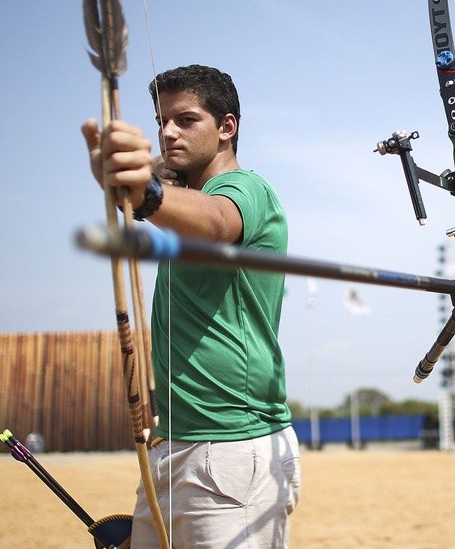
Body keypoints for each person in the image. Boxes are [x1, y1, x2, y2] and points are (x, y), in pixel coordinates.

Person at [82, 64, 300, 549]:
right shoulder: (184, 204)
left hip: (230, 448)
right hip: (174, 443)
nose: (167, 132)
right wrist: (155, 186)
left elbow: (219, 224)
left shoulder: (246, 191)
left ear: (227, 127)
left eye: (186, 119)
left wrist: (145, 192)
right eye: (162, 120)